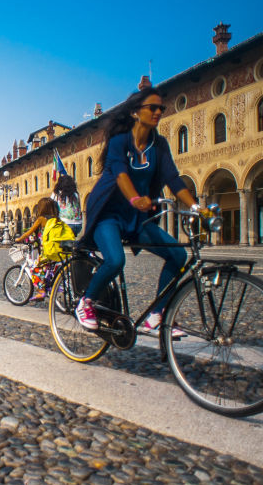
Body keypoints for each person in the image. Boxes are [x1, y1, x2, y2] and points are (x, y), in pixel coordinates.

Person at [74, 86, 206, 337]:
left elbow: (174, 179)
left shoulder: (160, 144)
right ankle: (86, 302)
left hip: (138, 219)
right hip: (108, 215)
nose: (158, 112)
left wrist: (196, 207)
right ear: (136, 112)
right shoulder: (119, 141)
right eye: (152, 108)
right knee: (115, 260)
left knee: (178, 257)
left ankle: (156, 316)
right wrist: (135, 198)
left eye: (161, 108)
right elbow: (121, 174)